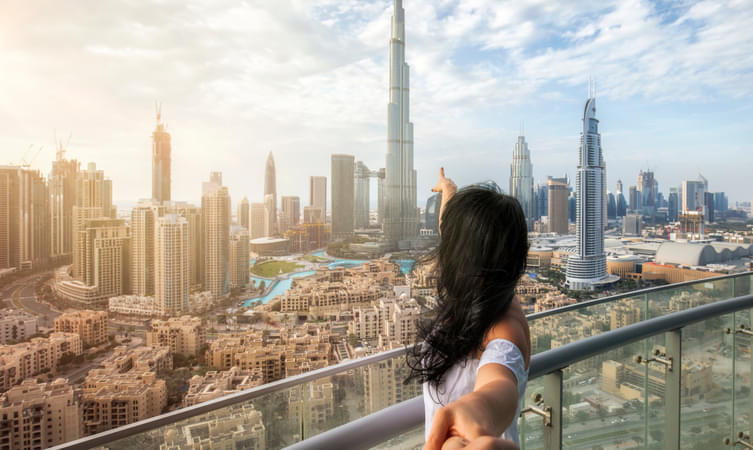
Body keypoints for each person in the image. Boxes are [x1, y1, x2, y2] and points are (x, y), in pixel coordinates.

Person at [407, 168, 531, 450]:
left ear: (463, 255)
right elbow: (447, 228)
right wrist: (448, 188)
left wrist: (472, 415)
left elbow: (499, 385)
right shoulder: (485, 293)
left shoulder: (505, 330)